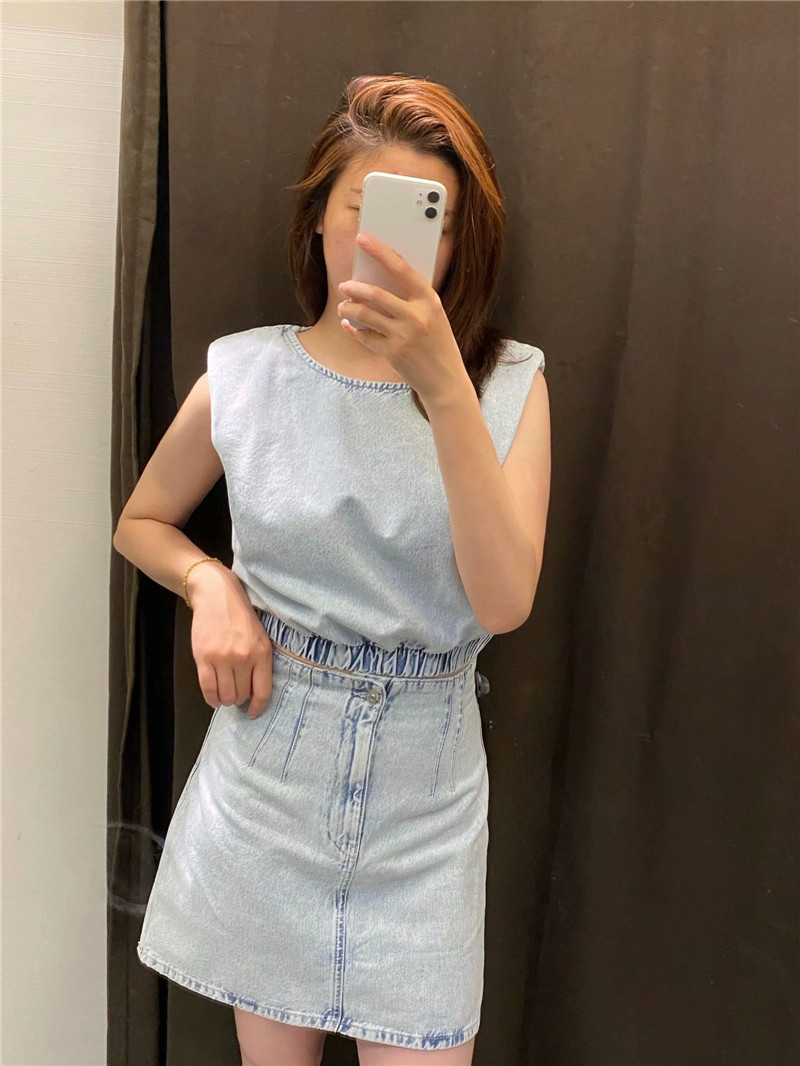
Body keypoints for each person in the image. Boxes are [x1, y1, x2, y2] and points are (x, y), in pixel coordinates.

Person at [113, 74, 550, 1066]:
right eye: (365, 208)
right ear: (317, 219)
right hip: (268, 776)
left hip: (424, 809)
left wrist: (445, 390)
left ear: (459, 242)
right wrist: (211, 583)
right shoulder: (247, 375)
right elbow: (140, 521)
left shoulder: (509, 385)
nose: (391, 245)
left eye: (430, 220)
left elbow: (503, 601)